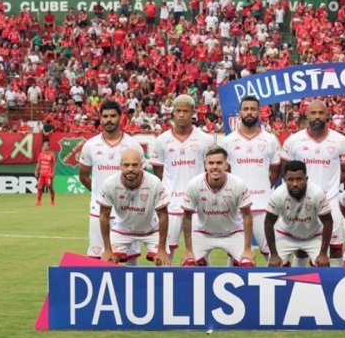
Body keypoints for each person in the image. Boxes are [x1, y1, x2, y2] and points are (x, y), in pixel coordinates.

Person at [281, 99, 345, 266]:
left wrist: (328, 187)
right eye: (313, 113)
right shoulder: (293, 141)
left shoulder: (340, 140)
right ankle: (299, 282)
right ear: (306, 115)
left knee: (335, 247)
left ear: (327, 115)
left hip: (331, 200)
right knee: (301, 247)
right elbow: (285, 171)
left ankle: (334, 283)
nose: (317, 116)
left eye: (321, 113)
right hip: (302, 202)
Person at [150, 94, 215, 263]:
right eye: (178, 111)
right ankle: (162, 286)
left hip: (197, 205)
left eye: (185, 111)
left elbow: (211, 170)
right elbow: (158, 172)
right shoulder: (161, 140)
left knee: (199, 256)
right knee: (163, 254)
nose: (181, 115)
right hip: (170, 205)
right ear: (172, 112)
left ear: (193, 112)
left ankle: (202, 287)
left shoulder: (206, 139)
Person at [79, 100, 143, 260]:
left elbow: (142, 177)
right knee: (97, 255)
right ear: (100, 118)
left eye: (113, 116)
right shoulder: (90, 145)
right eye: (105, 116)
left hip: (128, 210)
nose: (109, 120)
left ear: (120, 117)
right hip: (99, 210)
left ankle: (133, 286)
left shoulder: (133, 145)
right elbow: (83, 176)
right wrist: (100, 194)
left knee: (130, 257)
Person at [220, 96, 282, 259]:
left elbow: (275, 170)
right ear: (240, 112)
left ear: (259, 112)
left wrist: (263, 187)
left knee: (273, 253)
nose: (249, 112)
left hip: (263, 205)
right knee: (236, 254)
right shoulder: (227, 141)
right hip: (237, 206)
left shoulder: (270, 140)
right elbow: (226, 172)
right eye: (245, 109)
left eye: (253, 109)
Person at [179, 147, 255, 267]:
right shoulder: (194, 184)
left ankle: (234, 265)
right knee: (189, 265)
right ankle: (203, 265)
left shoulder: (238, 184)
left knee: (247, 264)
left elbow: (247, 216)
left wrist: (247, 248)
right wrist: (188, 250)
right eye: (211, 163)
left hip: (233, 233)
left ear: (226, 165)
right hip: (203, 233)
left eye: (219, 163)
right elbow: (187, 217)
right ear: (205, 165)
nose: (215, 166)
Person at [97, 149, 171, 266]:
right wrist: (107, 249)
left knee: (164, 263)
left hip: (151, 231)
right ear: (120, 166)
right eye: (126, 165)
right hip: (122, 230)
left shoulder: (154, 183)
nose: (130, 169)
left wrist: (161, 249)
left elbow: (163, 216)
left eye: (134, 165)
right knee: (108, 264)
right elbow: (104, 216)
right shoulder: (110, 184)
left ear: (141, 165)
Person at [264, 160, 332, 267]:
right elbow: (268, 223)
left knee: (323, 264)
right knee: (274, 266)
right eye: (290, 180)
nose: (295, 184)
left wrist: (323, 253)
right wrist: (273, 254)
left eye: (299, 179)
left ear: (306, 179)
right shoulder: (278, 194)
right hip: (286, 235)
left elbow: (328, 222)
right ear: (285, 179)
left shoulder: (317, 193)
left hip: (313, 235)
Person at [34, 140, 56, 206]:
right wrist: (36, 171)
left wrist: (53, 172)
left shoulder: (52, 154)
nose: (44, 146)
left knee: (50, 187)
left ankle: (52, 200)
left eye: (46, 145)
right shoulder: (41, 154)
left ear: (49, 146)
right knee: (39, 187)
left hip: (48, 173)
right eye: (44, 145)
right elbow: (39, 163)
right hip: (42, 173)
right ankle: (38, 201)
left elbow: (54, 164)